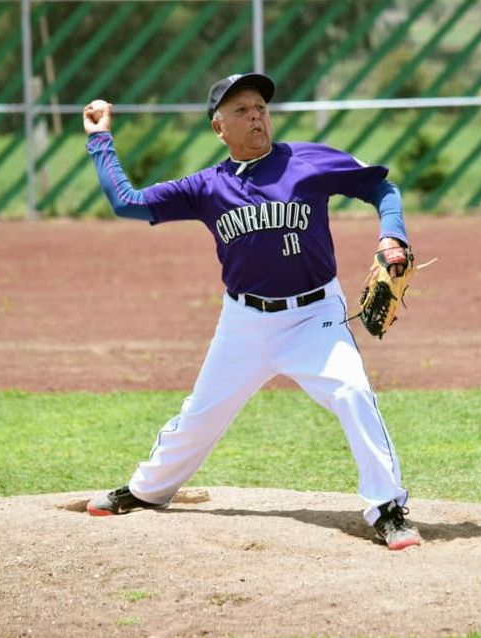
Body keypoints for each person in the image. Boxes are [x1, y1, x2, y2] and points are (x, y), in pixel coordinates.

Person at [81, 73, 421, 550]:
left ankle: (386, 508)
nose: (256, 115)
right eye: (241, 110)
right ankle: (146, 490)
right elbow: (128, 203)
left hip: (313, 317)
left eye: (260, 105)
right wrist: (100, 139)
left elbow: (383, 189)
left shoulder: (309, 160)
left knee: (352, 392)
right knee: (200, 414)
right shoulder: (207, 187)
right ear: (219, 129)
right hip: (243, 323)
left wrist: (393, 234)